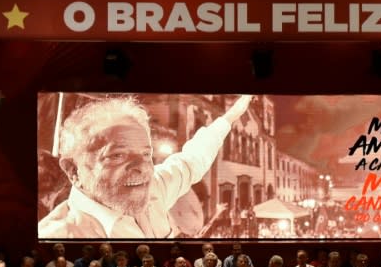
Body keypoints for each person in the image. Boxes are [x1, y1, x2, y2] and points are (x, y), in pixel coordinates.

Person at [38, 94, 252, 238]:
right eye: (118, 155)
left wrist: (230, 117)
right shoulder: (56, 236)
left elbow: (192, 159)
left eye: (146, 154)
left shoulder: (154, 188)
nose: (142, 168)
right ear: (73, 170)